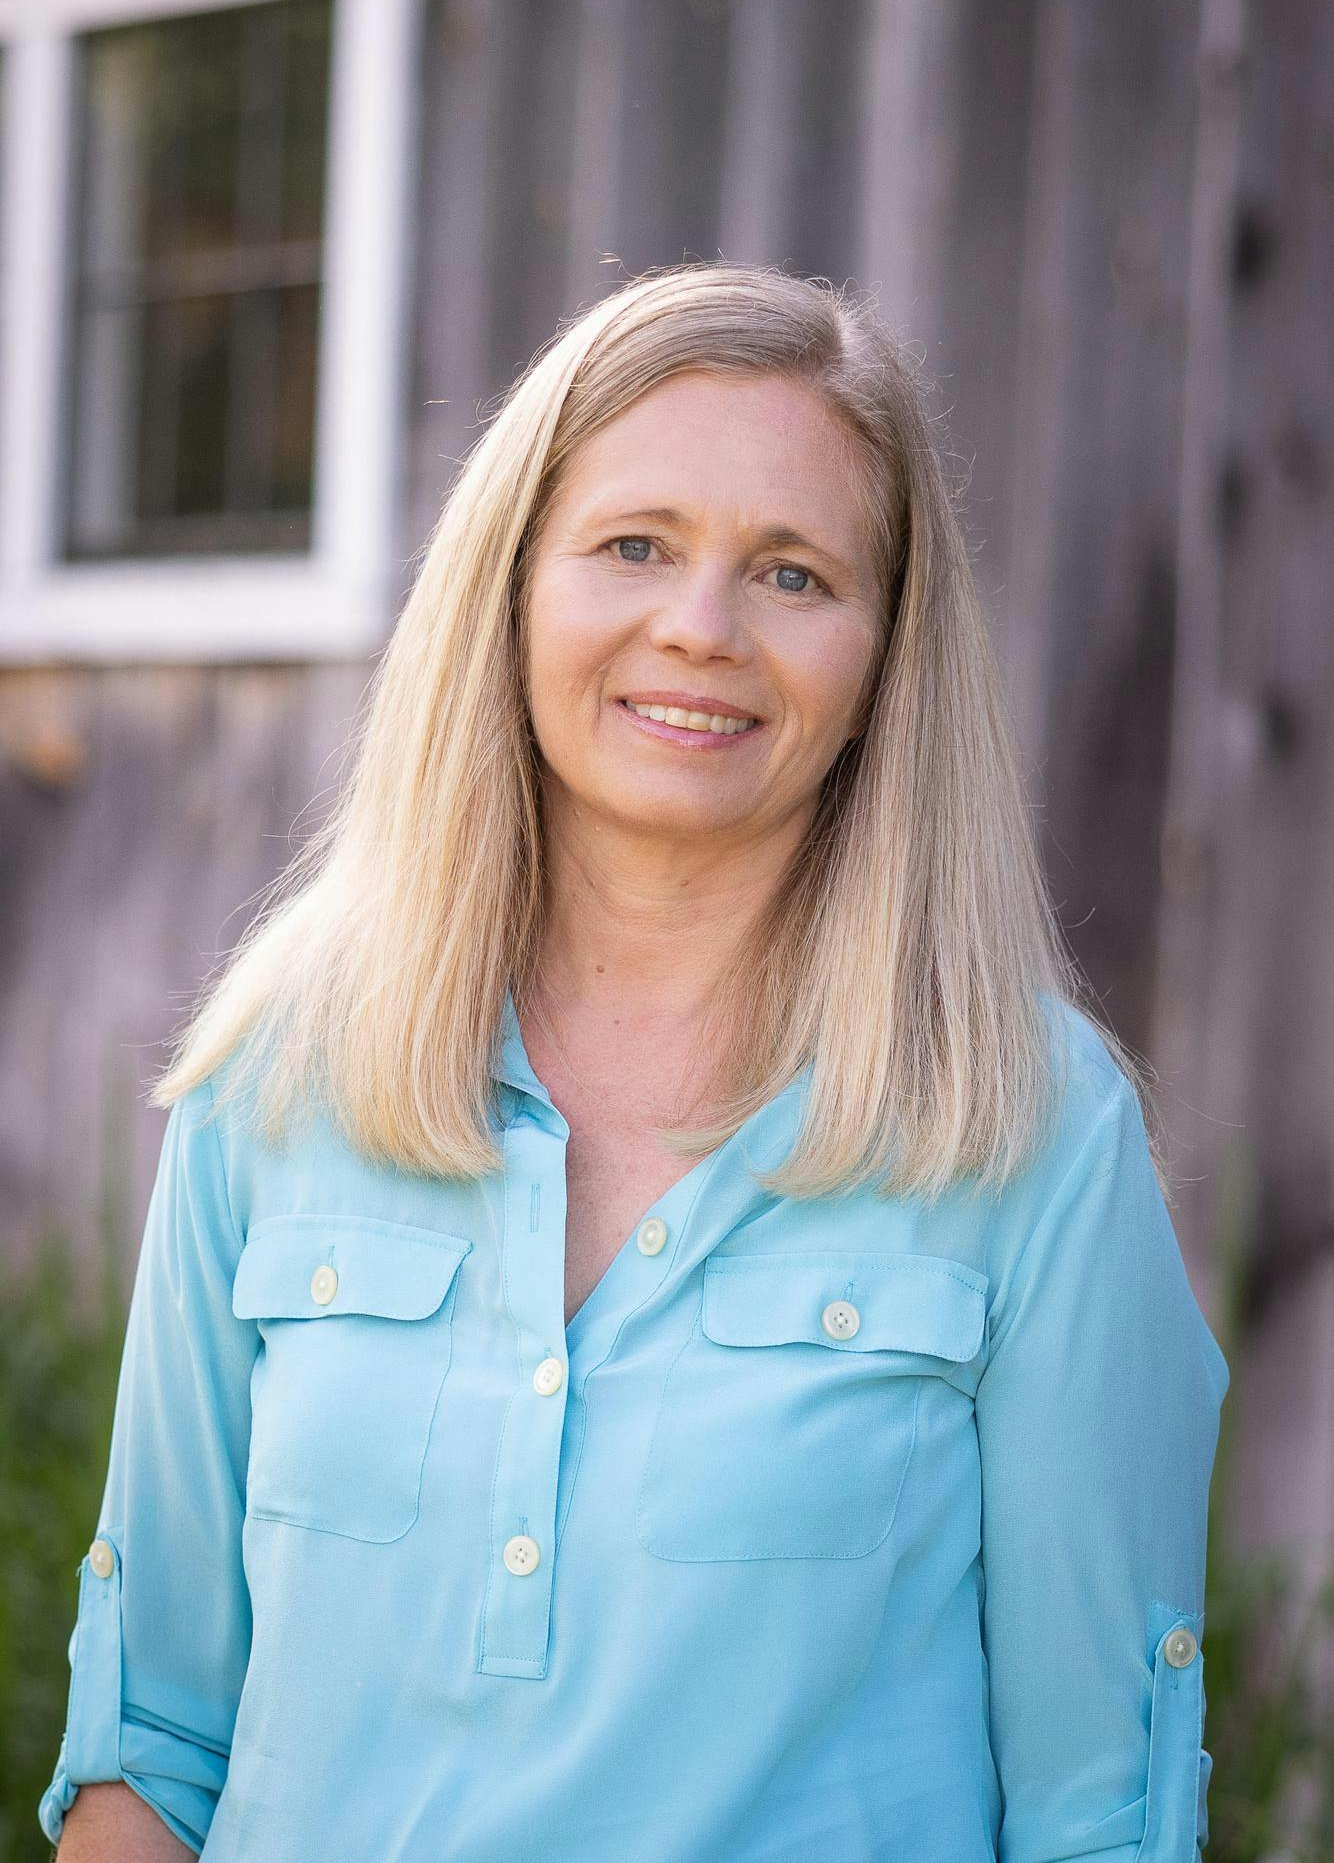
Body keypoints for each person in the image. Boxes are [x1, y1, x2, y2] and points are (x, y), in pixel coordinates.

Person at [40, 262, 1230, 1862]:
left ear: (883, 659)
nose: (701, 627)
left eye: (794, 573)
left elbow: (1099, 1814)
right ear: (512, 585)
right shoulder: (282, 1072)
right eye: (633, 546)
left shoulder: (1024, 1128)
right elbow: (150, 1751)